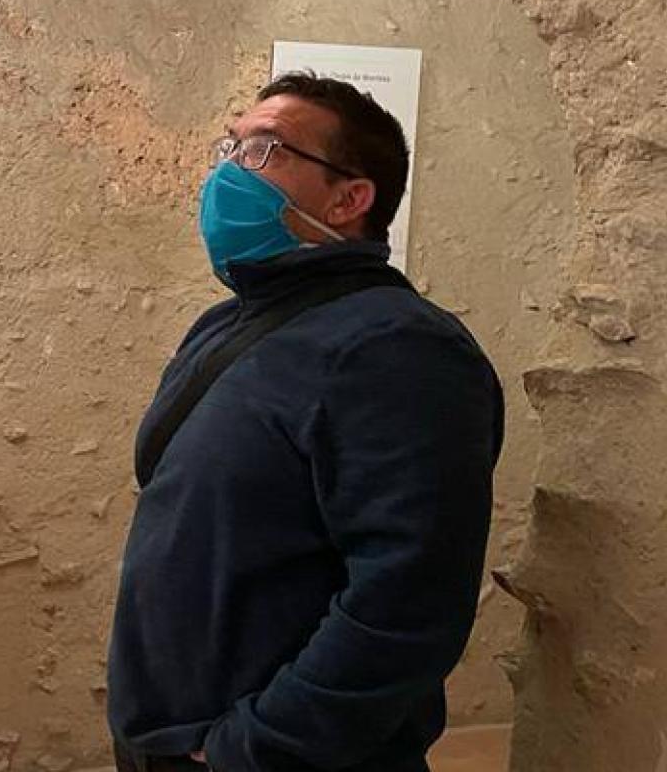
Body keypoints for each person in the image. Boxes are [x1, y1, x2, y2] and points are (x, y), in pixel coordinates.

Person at [107, 73, 505, 772]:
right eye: (229, 146)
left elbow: (407, 606)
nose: (231, 170)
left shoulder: (400, 348)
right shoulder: (232, 322)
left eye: (264, 150)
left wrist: (253, 746)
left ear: (351, 198)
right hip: (176, 738)